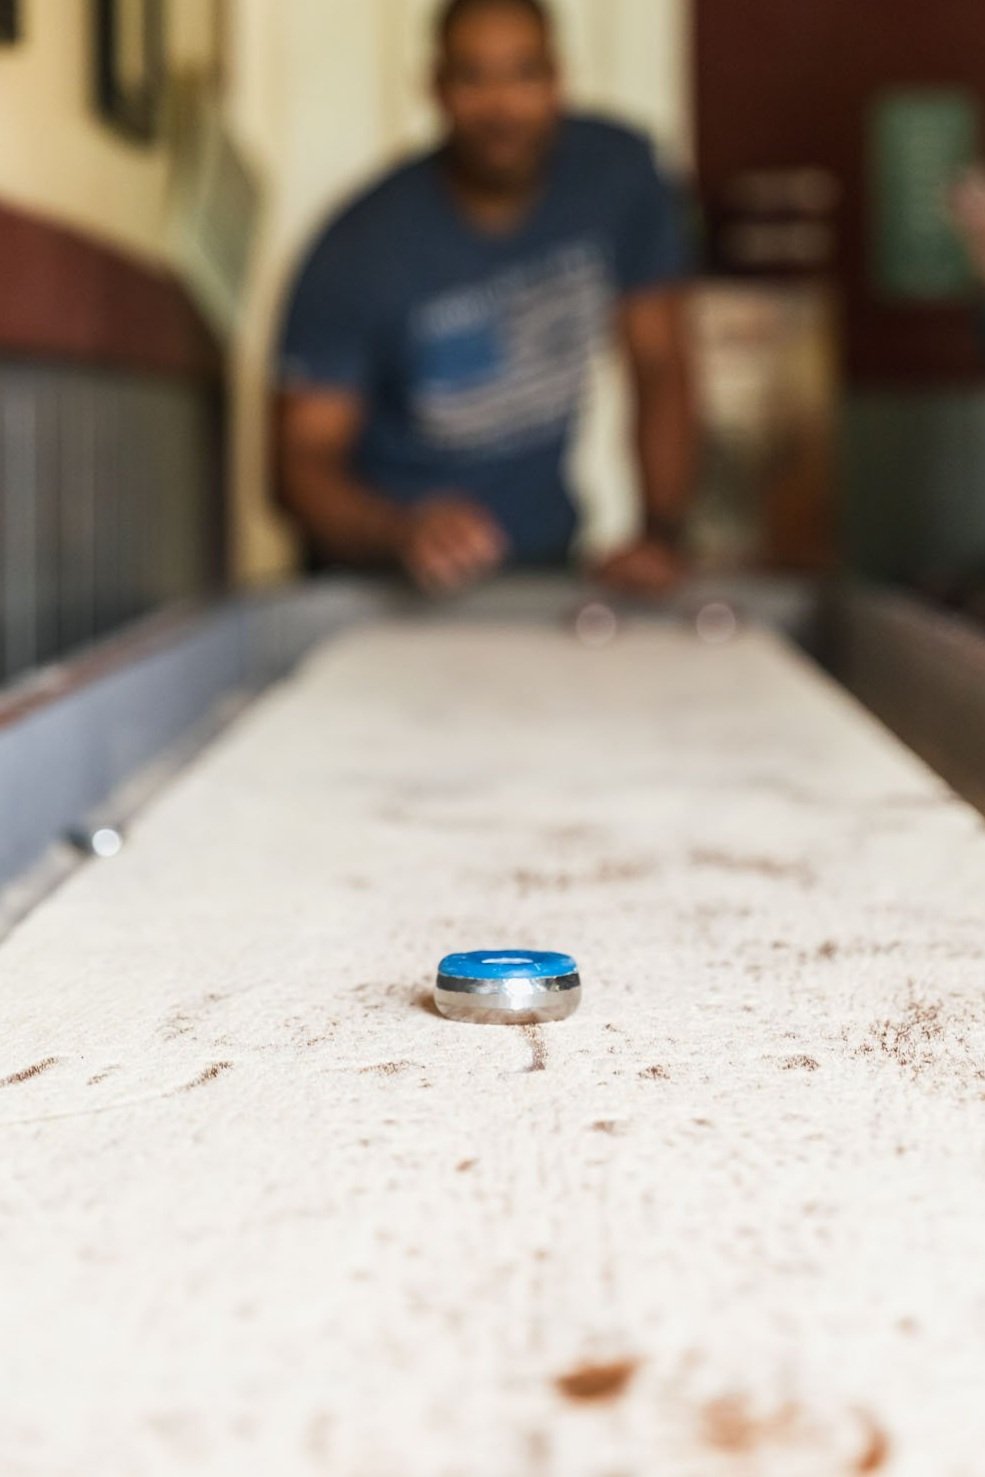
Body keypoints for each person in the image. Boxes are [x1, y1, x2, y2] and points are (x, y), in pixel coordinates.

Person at [275, 0, 697, 597]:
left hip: (543, 565)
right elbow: (300, 463)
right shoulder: (357, 249)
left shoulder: (618, 177)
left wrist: (661, 537)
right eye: (473, 78)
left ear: (558, 80)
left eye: (524, 74)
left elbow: (659, 364)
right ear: (437, 89)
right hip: (381, 586)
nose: (502, 108)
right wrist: (401, 530)